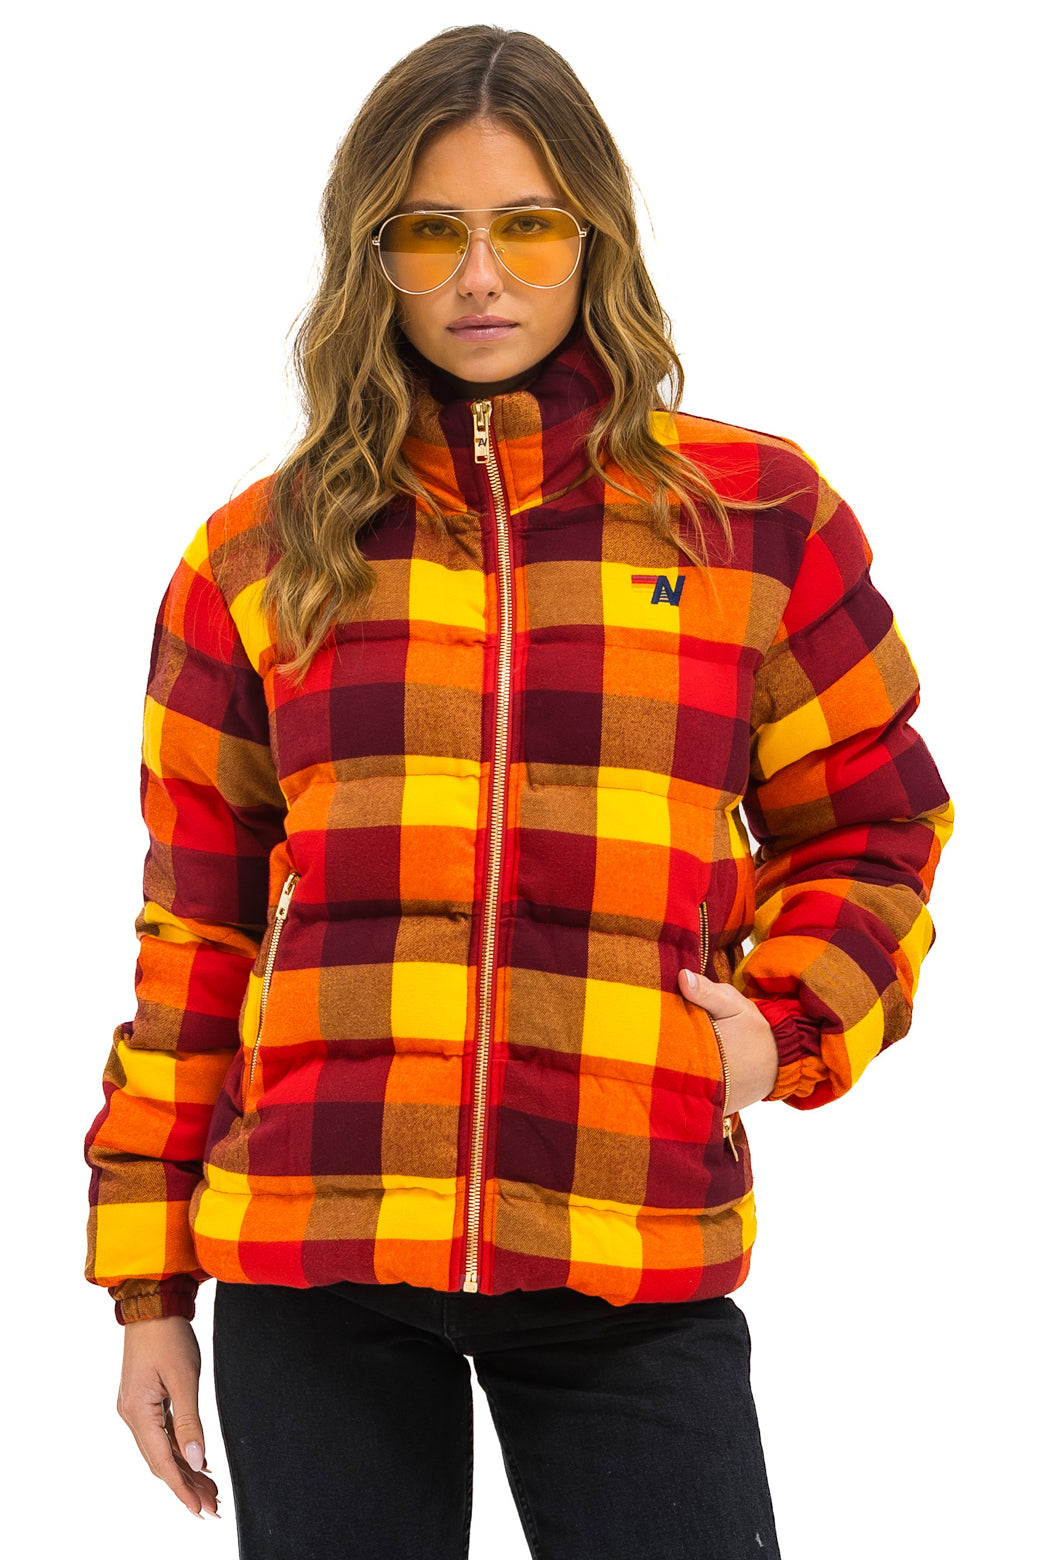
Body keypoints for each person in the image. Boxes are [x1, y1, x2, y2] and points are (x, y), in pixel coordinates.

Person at [84, 24, 954, 1560]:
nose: (480, 276)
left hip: (627, 1233)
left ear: (593, 237)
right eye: (430, 232)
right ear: (372, 260)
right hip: (316, 1248)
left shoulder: (752, 519)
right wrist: (149, 1289)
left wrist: (788, 1026)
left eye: (527, 224)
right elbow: (193, 940)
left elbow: (876, 818)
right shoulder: (259, 556)